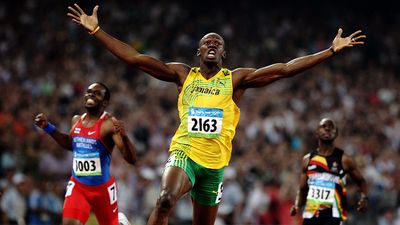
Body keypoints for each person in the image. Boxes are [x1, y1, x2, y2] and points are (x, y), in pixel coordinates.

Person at [67, 4, 366, 225]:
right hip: (185, 153)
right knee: (165, 200)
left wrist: (330, 51)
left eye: (217, 44)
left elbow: (285, 69)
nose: (212, 45)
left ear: (225, 54)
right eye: (206, 43)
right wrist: (96, 31)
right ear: (198, 53)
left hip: (215, 165)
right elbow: (135, 58)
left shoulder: (235, 80)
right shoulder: (183, 75)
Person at [34, 82, 137, 225]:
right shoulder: (76, 120)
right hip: (78, 186)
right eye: (88, 92)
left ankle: (120, 222)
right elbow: (71, 144)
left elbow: (131, 159)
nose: (91, 95)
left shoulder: (109, 124)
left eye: (97, 93)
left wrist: (125, 137)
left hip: (102, 190)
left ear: (105, 103)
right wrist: (48, 127)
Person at [290, 118, 368, 225]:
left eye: (331, 127)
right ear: (317, 133)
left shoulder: (344, 160)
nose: (327, 129)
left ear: (336, 133)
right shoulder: (307, 160)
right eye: (324, 126)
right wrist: (297, 205)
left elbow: (361, 181)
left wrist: (364, 198)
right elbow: (302, 188)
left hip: (333, 216)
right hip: (311, 214)